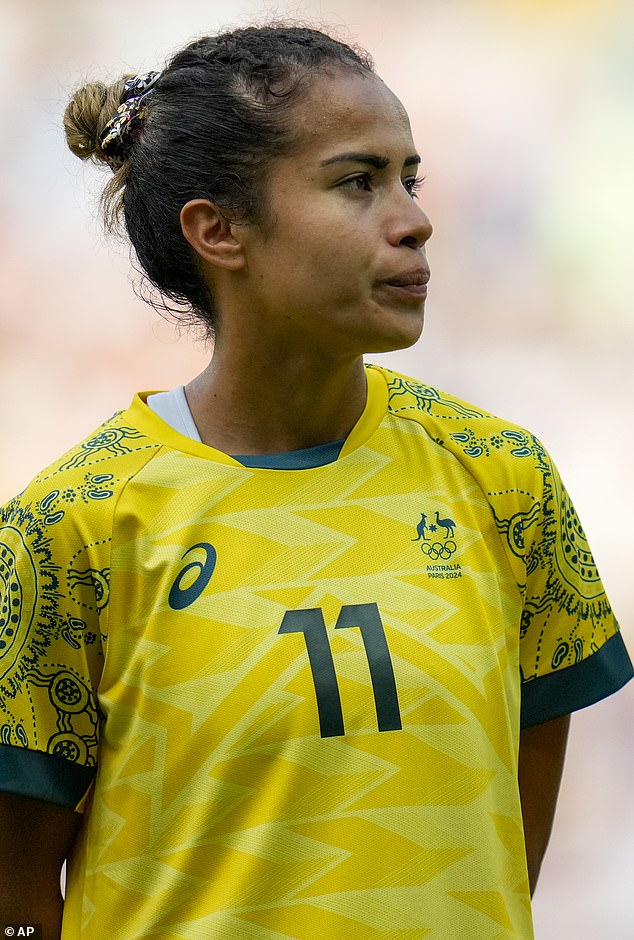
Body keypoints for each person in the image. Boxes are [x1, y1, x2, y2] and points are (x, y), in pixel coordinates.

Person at [0, 23, 631, 940]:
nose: (414, 218)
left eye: (409, 177)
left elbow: (501, 854)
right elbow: (16, 899)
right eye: (356, 182)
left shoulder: (503, 477)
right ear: (218, 231)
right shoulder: (68, 530)